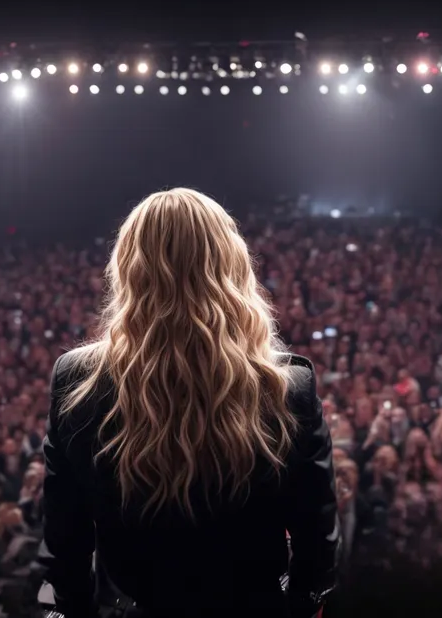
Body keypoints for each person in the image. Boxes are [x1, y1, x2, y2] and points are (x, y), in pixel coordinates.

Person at [37, 188, 341, 618]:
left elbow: (65, 547)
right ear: (230, 266)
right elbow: (316, 542)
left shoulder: (78, 380)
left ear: (128, 270)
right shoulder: (287, 386)